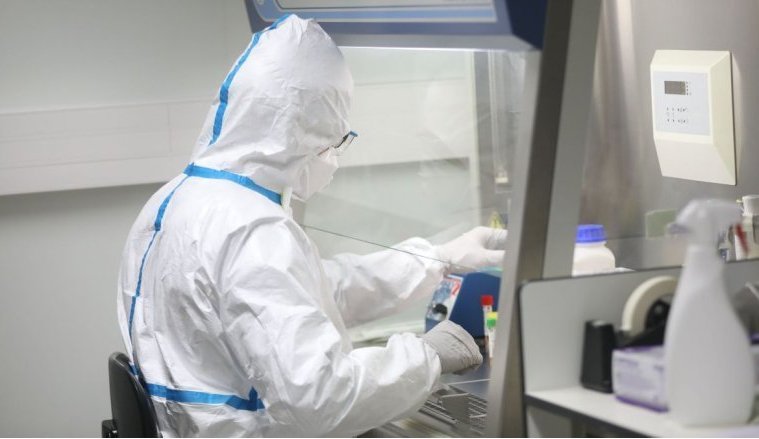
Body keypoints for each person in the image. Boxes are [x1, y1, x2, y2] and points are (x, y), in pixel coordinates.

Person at [117, 14, 507, 437]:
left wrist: (438, 257)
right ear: (299, 135)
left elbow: (312, 292)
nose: (333, 157)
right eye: (336, 141)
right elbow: (321, 398)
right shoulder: (251, 231)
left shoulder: (180, 199)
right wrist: (427, 356)